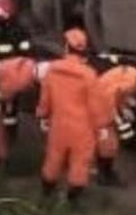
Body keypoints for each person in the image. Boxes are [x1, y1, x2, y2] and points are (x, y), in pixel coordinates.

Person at [36, 28, 98, 204]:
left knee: (54, 158)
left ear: (66, 47)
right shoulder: (89, 75)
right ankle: (72, 200)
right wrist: (100, 126)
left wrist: (42, 115)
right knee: (80, 163)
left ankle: (46, 193)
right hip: (82, 128)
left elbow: (45, 98)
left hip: (59, 124)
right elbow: (96, 106)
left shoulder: (53, 70)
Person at [90, 60, 136, 186]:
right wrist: (118, 118)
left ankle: (104, 173)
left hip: (99, 102)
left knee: (107, 142)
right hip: (101, 107)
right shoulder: (133, 82)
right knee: (108, 143)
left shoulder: (132, 75)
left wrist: (124, 106)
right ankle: (104, 176)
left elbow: (116, 93)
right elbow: (110, 95)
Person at [0, 0, 32, 144]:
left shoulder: (18, 31)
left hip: (9, 76)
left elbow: (26, 53)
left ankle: (8, 140)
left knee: (10, 111)